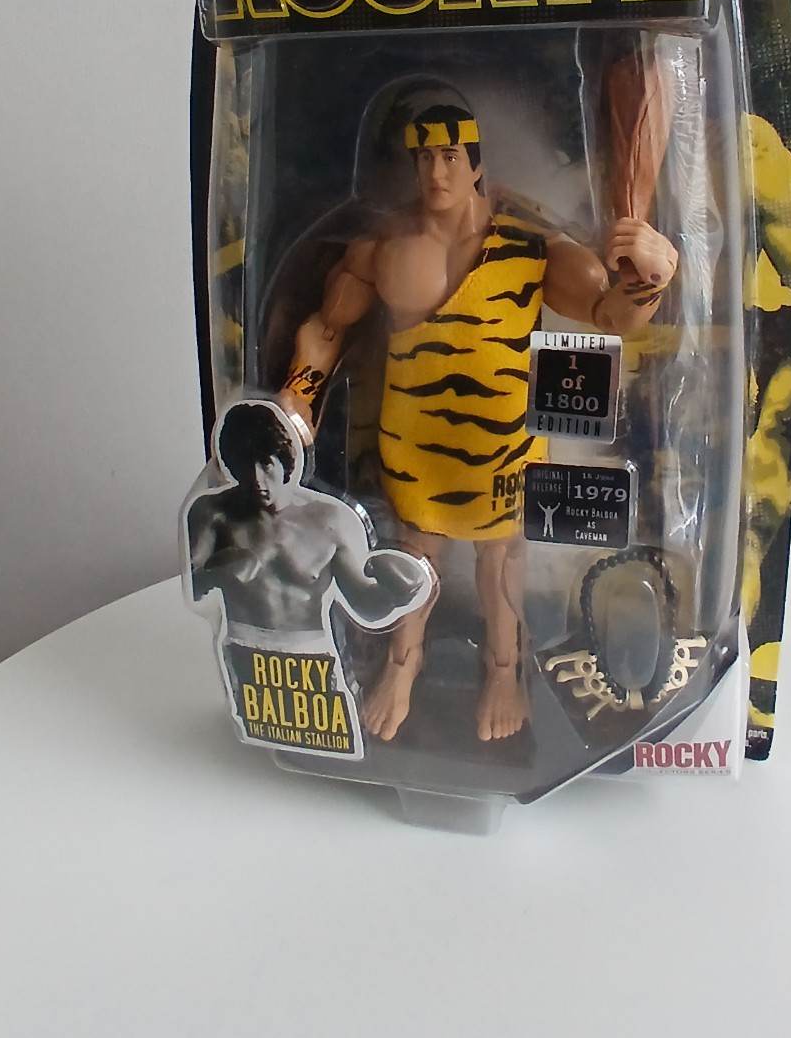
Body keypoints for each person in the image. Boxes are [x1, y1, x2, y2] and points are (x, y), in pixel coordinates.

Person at [278, 103, 677, 745]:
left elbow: (609, 316)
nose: (437, 173)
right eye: (425, 158)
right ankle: (402, 664)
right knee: (415, 560)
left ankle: (504, 671)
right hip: (415, 447)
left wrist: (650, 280)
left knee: (501, 567)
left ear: (475, 164)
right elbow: (327, 329)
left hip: (504, 448)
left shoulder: (532, 248)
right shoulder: (382, 250)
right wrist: (297, 398)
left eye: (450, 157)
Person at [185, 399, 433, 756]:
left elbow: (364, 605)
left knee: (330, 752)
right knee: (262, 753)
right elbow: (193, 590)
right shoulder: (214, 514)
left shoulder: (330, 519)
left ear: (285, 460)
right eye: (244, 465)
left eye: (265, 464)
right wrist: (221, 570)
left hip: (313, 659)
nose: (257, 480)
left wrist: (398, 594)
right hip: (246, 651)